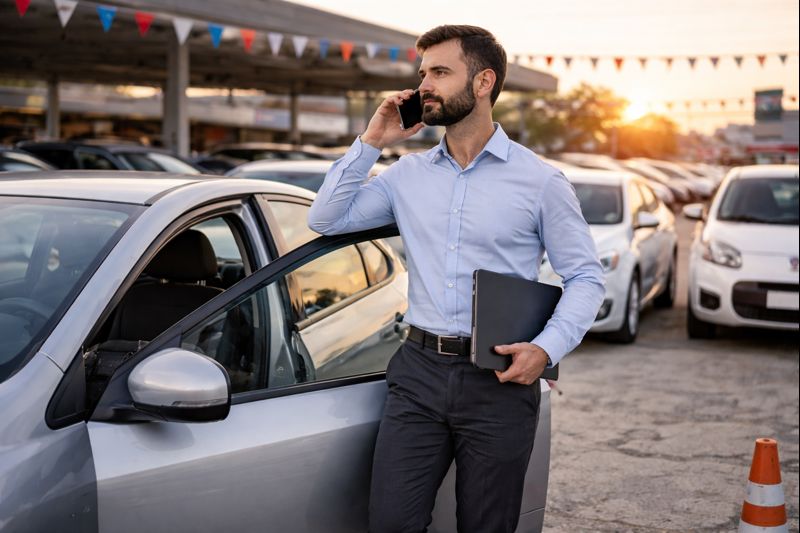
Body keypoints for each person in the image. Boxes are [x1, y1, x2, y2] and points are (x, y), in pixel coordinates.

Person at [308, 25, 604, 533]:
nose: (425, 84)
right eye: (423, 72)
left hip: (500, 380)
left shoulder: (540, 181)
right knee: (391, 523)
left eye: (440, 72)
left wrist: (546, 349)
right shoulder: (406, 175)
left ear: (484, 81)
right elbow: (326, 219)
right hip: (417, 374)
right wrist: (372, 140)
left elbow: (585, 277)